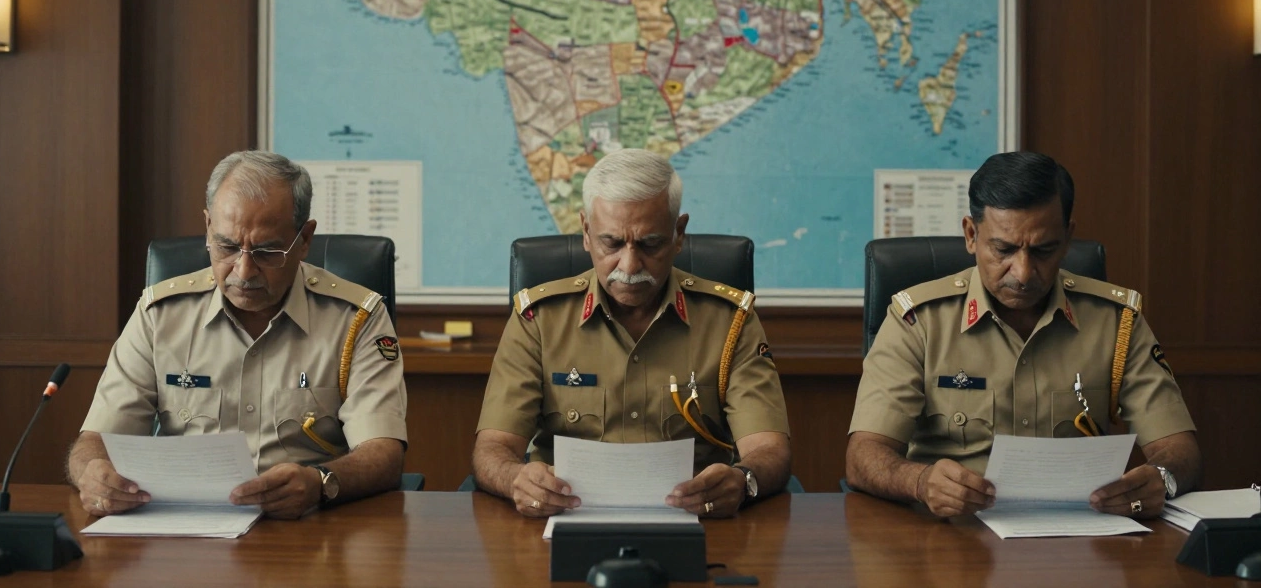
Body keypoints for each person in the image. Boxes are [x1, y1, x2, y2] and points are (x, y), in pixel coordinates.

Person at [847, 151, 1200, 519]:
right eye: (1004, 249)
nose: (1024, 272)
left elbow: (1180, 449)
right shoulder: (919, 322)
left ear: (1067, 238)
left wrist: (1162, 478)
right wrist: (920, 482)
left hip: (1083, 540)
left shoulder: (1115, 322)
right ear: (971, 235)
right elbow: (863, 456)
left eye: (1043, 250)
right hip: (954, 539)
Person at [67, 151, 408, 519]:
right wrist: (92, 474)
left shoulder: (355, 319)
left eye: (266, 251)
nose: (243, 271)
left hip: (307, 531)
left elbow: (383, 452)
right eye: (227, 247)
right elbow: (96, 440)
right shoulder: (159, 316)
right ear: (208, 226)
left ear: (304, 239)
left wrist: (321, 481)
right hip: (183, 531)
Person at [472, 149, 791, 519]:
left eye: (649, 243)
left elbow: (770, 449)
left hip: (701, 523)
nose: (629, 265)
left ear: (679, 234)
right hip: (564, 520)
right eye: (612, 243)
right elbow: (492, 447)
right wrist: (516, 479)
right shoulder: (540, 320)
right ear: (586, 233)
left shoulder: (729, 321)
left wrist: (743, 479)